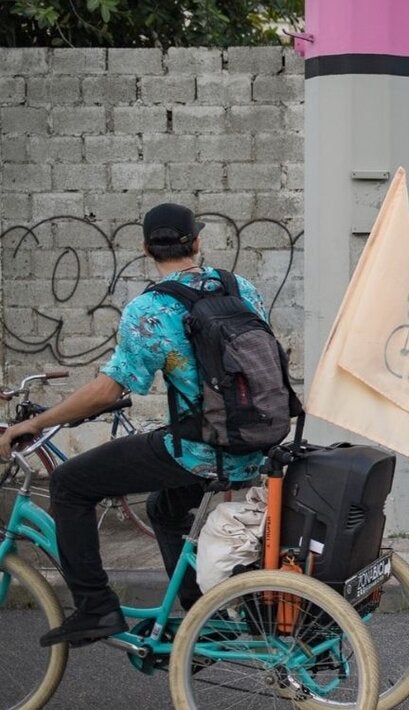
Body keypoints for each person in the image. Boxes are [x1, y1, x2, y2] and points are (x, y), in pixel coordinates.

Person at [0, 203, 270, 647]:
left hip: (199, 449)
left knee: (69, 484)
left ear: (146, 248)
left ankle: (95, 607)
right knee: (163, 510)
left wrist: (41, 422)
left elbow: (111, 389)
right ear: (197, 242)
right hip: (252, 440)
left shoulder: (149, 309)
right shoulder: (241, 288)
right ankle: (204, 617)